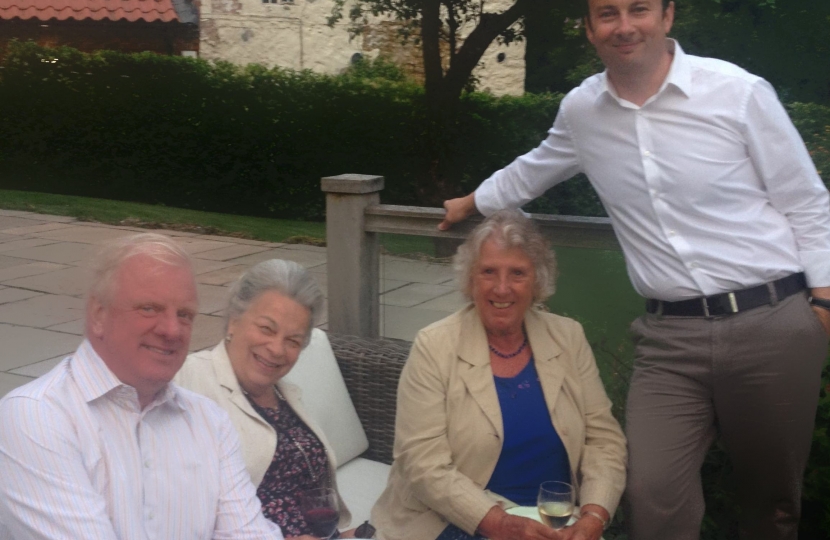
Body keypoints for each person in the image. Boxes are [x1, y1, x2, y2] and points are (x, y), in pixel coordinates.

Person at [438, 1, 830, 539]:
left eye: (639, 9)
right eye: (607, 14)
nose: (625, 26)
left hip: (770, 320)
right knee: (650, 491)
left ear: (667, 17)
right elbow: (536, 167)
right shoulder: (583, 110)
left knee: (771, 503)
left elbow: (807, 201)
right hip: (669, 339)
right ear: (590, 30)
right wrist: (472, 202)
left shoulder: (737, 92)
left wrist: (823, 305)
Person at [0, 233, 284, 540]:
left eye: (184, 315)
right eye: (149, 308)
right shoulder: (36, 417)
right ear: (98, 314)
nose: (172, 330)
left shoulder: (209, 421)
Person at [371, 211, 626, 540]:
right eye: (488, 271)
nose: (502, 288)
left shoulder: (568, 338)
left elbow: (603, 441)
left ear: (537, 281)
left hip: (557, 524)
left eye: (517, 273)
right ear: (471, 279)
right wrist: (499, 524)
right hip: (461, 519)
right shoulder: (434, 346)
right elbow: (422, 462)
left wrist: (594, 515)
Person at [175, 259, 354, 538]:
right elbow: (180, 508)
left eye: (293, 341)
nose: (277, 349)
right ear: (234, 321)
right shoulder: (189, 381)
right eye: (267, 329)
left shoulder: (285, 394)